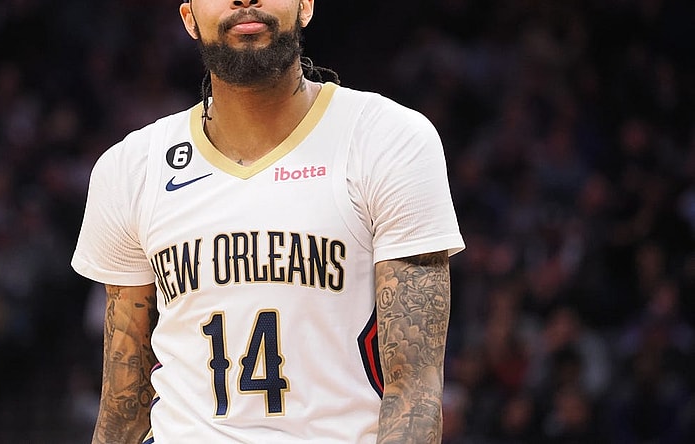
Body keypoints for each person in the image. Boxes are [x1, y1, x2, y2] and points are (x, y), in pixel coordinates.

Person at [71, 0, 465, 442]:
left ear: (306, 7)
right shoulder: (131, 167)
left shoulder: (388, 139)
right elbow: (123, 404)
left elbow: (414, 390)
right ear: (188, 18)